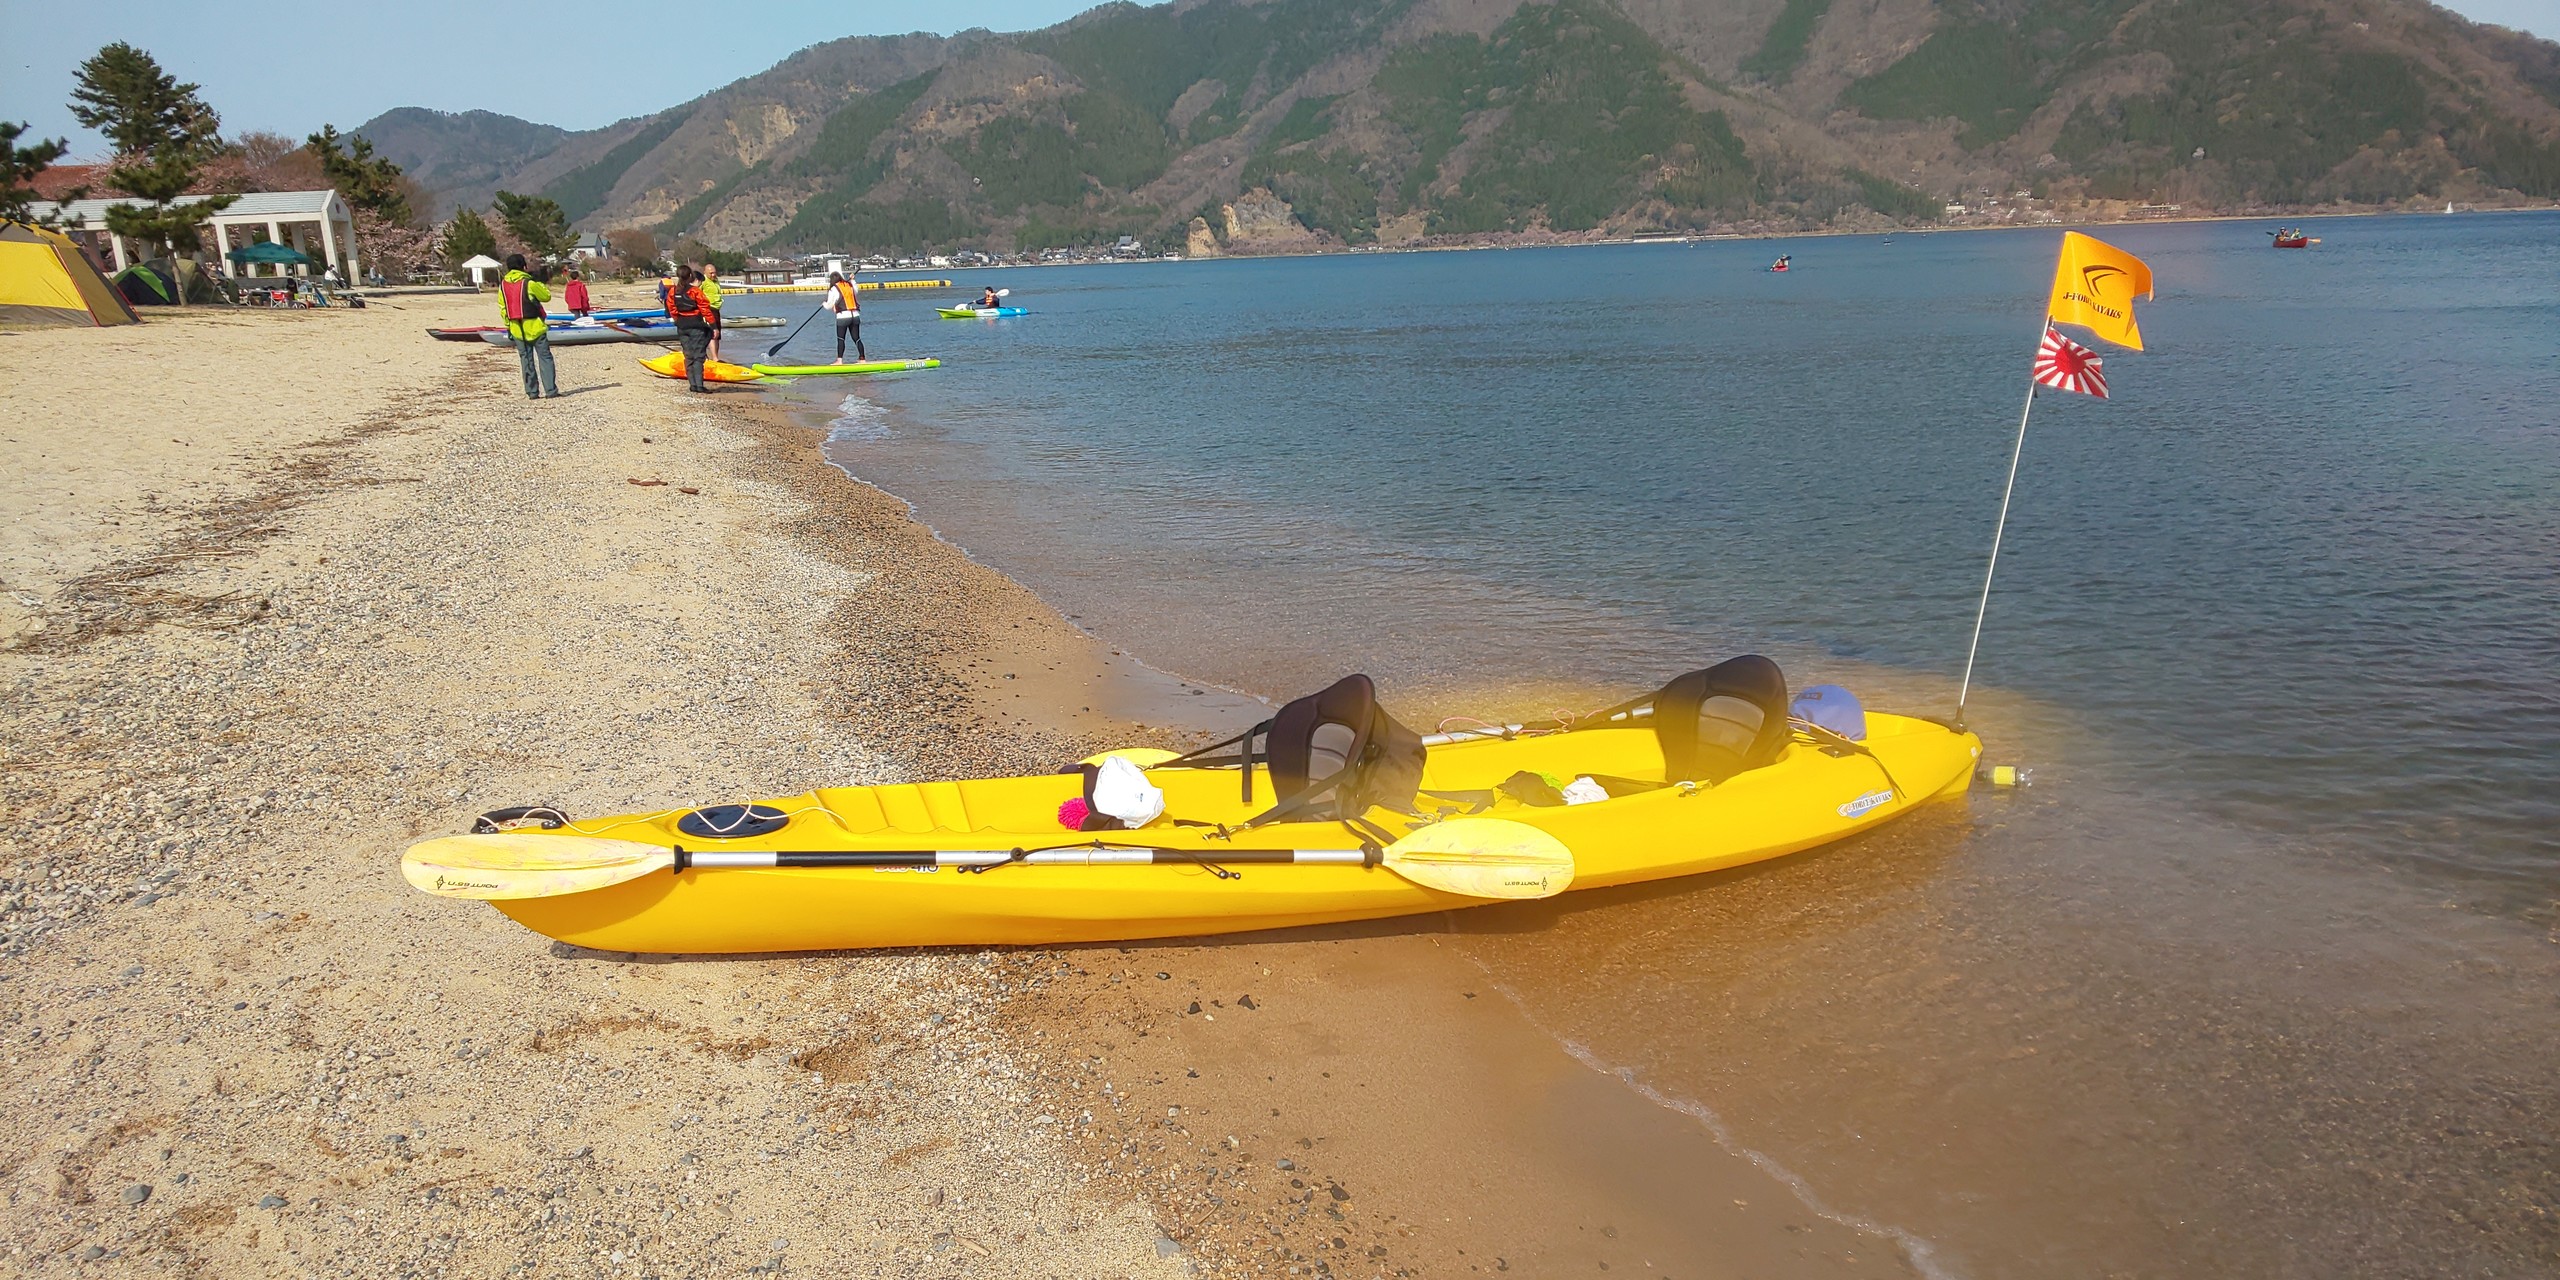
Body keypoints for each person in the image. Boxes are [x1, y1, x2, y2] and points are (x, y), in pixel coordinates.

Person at [499, 253, 557, 400]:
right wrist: (539, 282)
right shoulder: (529, 283)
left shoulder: (503, 286)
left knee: (526, 360)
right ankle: (550, 390)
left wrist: (509, 326)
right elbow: (546, 296)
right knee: (545, 358)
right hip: (535, 327)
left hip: (517, 328)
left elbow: (503, 308)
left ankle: (532, 392)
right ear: (524, 266)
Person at [665, 264, 717, 393]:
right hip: (695, 326)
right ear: (690, 276)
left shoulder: (673, 291)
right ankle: (699, 385)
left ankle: (693, 384)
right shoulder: (694, 291)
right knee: (698, 356)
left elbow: (672, 309)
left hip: (682, 326)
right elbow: (705, 309)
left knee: (688, 355)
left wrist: (678, 321)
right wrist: (713, 326)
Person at [825, 270, 864, 363]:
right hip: (855, 315)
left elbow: (829, 305)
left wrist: (824, 304)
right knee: (857, 338)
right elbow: (856, 292)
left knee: (841, 339)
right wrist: (853, 280)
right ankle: (862, 358)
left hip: (843, 317)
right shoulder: (849, 285)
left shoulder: (833, 289)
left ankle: (839, 361)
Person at [698, 262, 725, 363]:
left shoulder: (716, 280)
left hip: (716, 309)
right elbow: (696, 293)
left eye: (714, 273)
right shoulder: (703, 281)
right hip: (707, 309)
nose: (713, 275)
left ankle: (715, 356)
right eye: (711, 273)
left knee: (717, 334)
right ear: (705, 272)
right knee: (712, 333)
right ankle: (714, 357)